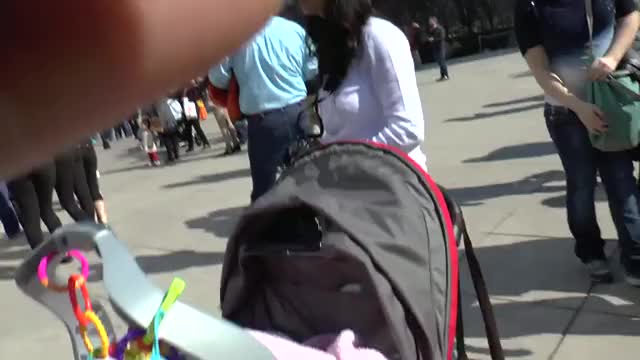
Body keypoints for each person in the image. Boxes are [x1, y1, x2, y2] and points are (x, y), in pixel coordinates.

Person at [514, 0, 640, 285]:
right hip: (565, 113)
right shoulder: (529, 5)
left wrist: (612, 57)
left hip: (610, 102)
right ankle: (591, 252)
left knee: (620, 178)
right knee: (582, 182)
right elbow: (540, 70)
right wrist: (578, 108)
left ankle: (634, 255)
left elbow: (631, 15)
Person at [209, 4, 318, 202]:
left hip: (264, 122)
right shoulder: (294, 30)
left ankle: (271, 227)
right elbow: (311, 68)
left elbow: (218, 78)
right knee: (307, 176)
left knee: (264, 189)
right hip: (299, 112)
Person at [300, 0, 428, 169]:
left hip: (392, 182)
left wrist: (345, 161)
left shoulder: (379, 35)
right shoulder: (332, 43)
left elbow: (408, 130)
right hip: (343, 185)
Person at [7, 163, 62, 249]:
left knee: (31, 218)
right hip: (42, 161)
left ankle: (42, 259)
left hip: (17, 168)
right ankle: (65, 250)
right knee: (47, 211)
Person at [54, 149, 94, 221]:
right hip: (74, 149)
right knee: (83, 194)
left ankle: (90, 225)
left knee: (67, 201)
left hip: (59, 155)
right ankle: (93, 226)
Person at [76, 140, 109, 224]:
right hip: (88, 146)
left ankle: (93, 224)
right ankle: (104, 221)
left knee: (83, 193)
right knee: (94, 189)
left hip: (75, 151)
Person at [183, 81, 211, 152]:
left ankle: (205, 142)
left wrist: (200, 109)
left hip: (193, 111)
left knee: (197, 127)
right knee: (188, 129)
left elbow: (199, 99)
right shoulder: (185, 89)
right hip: (187, 111)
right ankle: (191, 146)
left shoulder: (195, 89)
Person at [427, 16, 449, 82]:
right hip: (435, 48)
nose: (429, 22)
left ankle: (446, 76)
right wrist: (430, 38)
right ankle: (442, 76)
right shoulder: (432, 30)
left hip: (440, 47)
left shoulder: (440, 28)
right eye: (429, 21)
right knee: (439, 62)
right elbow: (430, 36)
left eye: (430, 21)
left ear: (434, 21)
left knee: (442, 62)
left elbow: (442, 38)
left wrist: (433, 39)